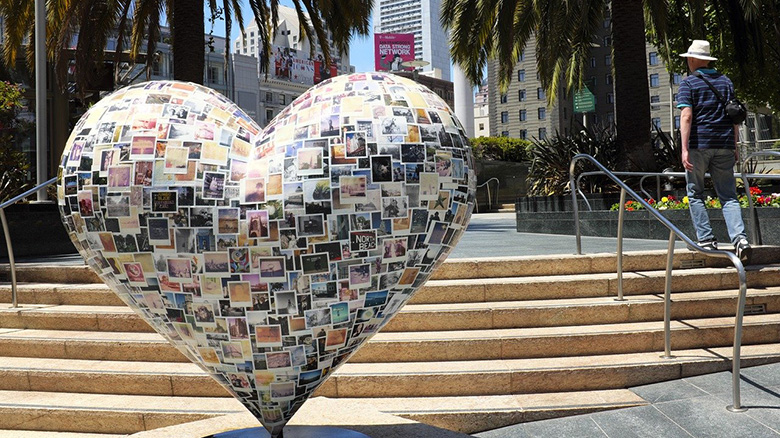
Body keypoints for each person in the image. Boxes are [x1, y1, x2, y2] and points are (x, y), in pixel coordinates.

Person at [677, 40, 751, 261]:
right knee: (728, 195)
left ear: (692, 60)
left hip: (699, 145)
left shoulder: (688, 83)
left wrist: (683, 148)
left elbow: (686, 116)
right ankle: (740, 239)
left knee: (695, 192)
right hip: (725, 144)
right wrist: (734, 144)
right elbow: (734, 115)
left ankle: (707, 239)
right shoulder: (725, 82)